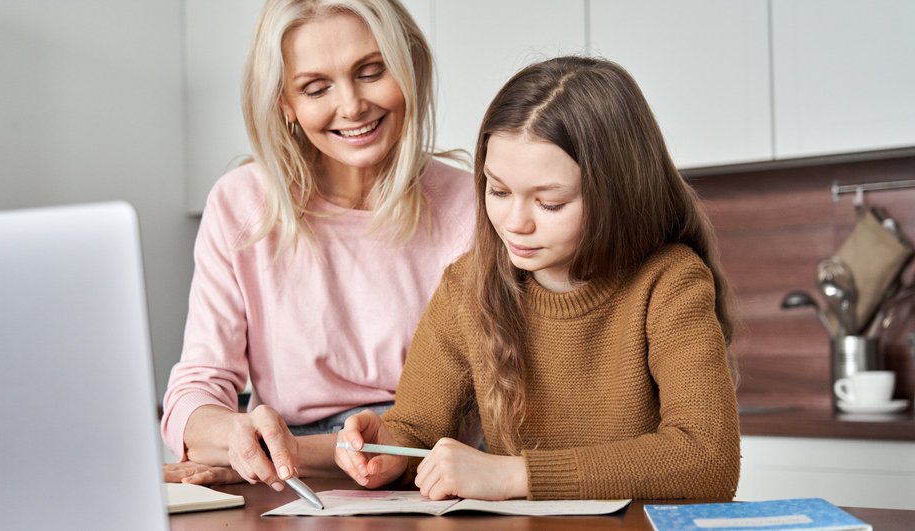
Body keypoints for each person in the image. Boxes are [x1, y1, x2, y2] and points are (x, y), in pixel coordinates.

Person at [335, 56, 741, 501]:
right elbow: (417, 427)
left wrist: (515, 476)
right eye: (499, 191)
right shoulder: (467, 286)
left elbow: (707, 460)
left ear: (618, 194)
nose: (515, 223)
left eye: (550, 203)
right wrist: (388, 449)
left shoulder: (670, 282)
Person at [160, 0, 475, 492]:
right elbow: (197, 386)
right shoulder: (240, 204)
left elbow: (472, 413)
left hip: (425, 475)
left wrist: (280, 454)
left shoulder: (473, 206)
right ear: (284, 103)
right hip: (287, 482)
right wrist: (234, 437)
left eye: (371, 72)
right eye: (315, 87)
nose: (351, 106)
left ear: (410, 69)